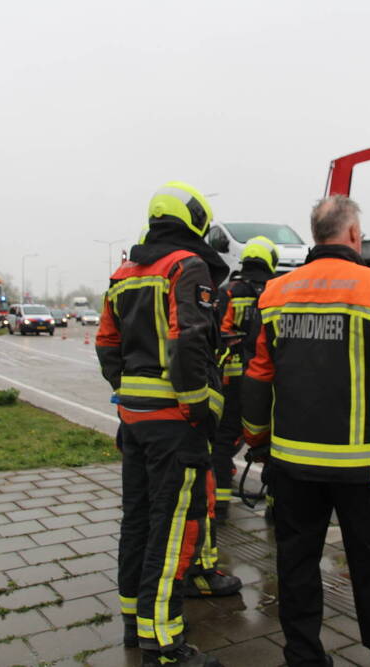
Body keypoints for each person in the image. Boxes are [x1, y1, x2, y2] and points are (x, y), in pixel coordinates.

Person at [243, 195, 370, 667]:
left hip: (292, 464)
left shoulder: (275, 293)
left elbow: (257, 375)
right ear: (352, 234)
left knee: (295, 564)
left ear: (316, 235)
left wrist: (257, 439)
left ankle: (303, 656)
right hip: (361, 467)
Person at [96, 181, 239, 667]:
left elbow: (106, 343)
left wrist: (128, 391)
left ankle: (135, 624)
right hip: (173, 423)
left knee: (136, 520)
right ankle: (164, 644)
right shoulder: (186, 266)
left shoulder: (124, 272)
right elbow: (189, 340)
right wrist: (197, 409)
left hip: (134, 417)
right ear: (195, 219)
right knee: (172, 529)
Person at [212, 235, 278, 520]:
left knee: (223, 440)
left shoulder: (228, 292)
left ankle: (219, 504)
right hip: (268, 380)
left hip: (233, 379)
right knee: (274, 441)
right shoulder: (277, 291)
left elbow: (219, 335)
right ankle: (276, 507)